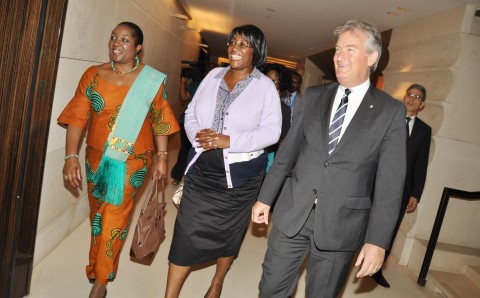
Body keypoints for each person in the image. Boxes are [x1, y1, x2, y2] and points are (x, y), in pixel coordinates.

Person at [252, 20, 407, 297]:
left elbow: (390, 184)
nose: (339, 56)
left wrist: (378, 241)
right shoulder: (312, 97)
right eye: (337, 49)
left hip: (342, 226)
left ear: (371, 58)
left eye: (350, 49)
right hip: (293, 214)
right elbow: (287, 154)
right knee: (271, 288)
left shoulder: (390, 112)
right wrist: (265, 197)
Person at [58, 22, 179, 298]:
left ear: (138, 48)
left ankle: (101, 280)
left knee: (115, 214)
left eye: (125, 39)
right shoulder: (93, 75)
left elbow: (160, 121)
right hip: (96, 158)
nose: (116, 43)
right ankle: (95, 266)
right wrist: (70, 156)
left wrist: (162, 158)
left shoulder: (150, 80)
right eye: (113, 37)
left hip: (133, 161)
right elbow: (78, 117)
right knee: (98, 216)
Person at [165, 24, 282, 298]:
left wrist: (230, 141)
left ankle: (217, 282)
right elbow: (191, 111)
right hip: (202, 171)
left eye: (243, 44)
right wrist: (198, 135)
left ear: (257, 51)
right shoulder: (214, 74)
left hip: (240, 179)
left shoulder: (265, 87)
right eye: (233, 42)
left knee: (229, 233)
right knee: (184, 233)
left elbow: (272, 132)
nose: (235, 49)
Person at [372, 83, 431, 288]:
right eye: (410, 94)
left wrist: (416, 193)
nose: (412, 98)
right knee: (362, 218)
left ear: (422, 104)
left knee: (390, 227)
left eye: (417, 97)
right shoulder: (389, 117)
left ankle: (377, 269)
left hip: (401, 189)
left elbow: (421, 164)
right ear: (404, 97)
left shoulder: (424, 131)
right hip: (374, 180)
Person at [170, 67, 202, 185]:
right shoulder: (196, 84)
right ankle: (178, 176)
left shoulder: (209, 85)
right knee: (185, 149)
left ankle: (186, 178)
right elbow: (184, 97)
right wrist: (183, 82)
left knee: (195, 151)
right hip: (187, 121)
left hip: (202, 124)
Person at [263, 63, 292, 171]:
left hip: (266, 157)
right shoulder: (251, 101)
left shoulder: (284, 109)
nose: (269, 83)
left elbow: (283, 140)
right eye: (266, 79)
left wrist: (275, 165)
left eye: (274, 81)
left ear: (281, 85)